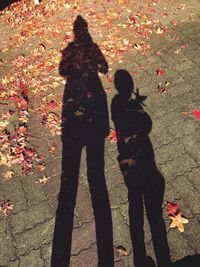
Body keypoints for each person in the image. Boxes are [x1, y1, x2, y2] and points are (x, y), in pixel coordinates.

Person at [51, 16, 114, 267]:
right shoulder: (92, 47)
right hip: (94, 114)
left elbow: (62, 71)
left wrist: (73, 66)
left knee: (69, 182)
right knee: (96, 176)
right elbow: (105, 68)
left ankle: (60, 257)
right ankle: (105, 257)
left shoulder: (69, 49)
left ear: (75, 32)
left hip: (74, 115)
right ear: (85, 32)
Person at [111, 69, 171, 267]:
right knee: (152, 215)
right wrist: (137, 110)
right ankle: (162, 258)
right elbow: (147, 125)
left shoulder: (116, 104)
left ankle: (140, 257)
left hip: (129, 157)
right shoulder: (128, 107)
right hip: (138, 156)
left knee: (135, 201)